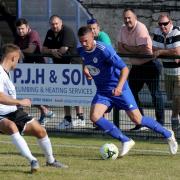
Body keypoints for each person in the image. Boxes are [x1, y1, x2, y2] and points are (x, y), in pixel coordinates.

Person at [77, 26, 178, 157]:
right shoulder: (81, 50)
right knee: (95, 117)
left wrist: (119, 87)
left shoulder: (104, 49)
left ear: (92, 36)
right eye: (81, 41)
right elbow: (85, 59)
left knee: (137, 119)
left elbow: (124, 69)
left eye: (86, 41)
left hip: (119, 89)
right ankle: (126, 140)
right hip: (103, 91)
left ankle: (168, 134)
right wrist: (84, 69)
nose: (84, 44)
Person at [0, 43, 68, 173]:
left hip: (13, 111)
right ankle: (33, 160)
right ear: (13, 58)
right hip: (1, 115)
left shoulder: (5, 73)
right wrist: (19, 101)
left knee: (40, 131)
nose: (18, 62)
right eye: (18, 59)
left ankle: (51, 160)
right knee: (11, 127)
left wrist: (17, 103)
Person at [117, 8, 165, 131]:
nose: (127, 20)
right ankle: (140, 122)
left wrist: (127, 48)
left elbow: (143, 49)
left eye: (129, 18)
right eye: (125, 18)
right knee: (130, 92)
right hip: (136, 67)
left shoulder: (140, 28)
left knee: (155, 94)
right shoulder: (123, 28)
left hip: (150, 65)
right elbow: (120, 48)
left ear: (135, 18)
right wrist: (134, 49)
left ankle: (160, 123)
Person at [42, 15, 85, 129]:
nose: (54, 26)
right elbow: (43, 49)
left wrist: (54, 52)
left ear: (61, 23)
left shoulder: (68, 31)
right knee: (65, 93)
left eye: (56, 23)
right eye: (52, 24)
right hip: (60, 67)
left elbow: (63, 50)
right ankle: (68, 119)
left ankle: (80, 118)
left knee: (74, 92)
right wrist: (52, 51)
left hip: (73, 65)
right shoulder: (50, 32)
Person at [14, 18, 54, 126]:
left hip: (39, 69)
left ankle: (44, 114)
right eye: (18, 29)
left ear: (27, 27)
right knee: (25, 94)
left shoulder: (33, 34)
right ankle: (45, 112)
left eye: (22, 28)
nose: (20, 31)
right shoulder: (17, 37)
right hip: (27, 70)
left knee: (39, 94)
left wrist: (18, 51)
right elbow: (14, 50)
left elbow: (30, 50)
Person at [152, 12, 180, 132]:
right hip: (168, 70)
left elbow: (177, 52)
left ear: (171, 23)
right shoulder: (157, 32)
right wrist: (169, 50)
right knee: (174, 100)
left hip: (179, 71)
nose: (162, 26)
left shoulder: (176, 31)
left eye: (165, 24)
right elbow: (153, 50)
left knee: (177, 97)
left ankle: (174, 119)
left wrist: (161, 52)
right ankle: (176, 124)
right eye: (160, 24)